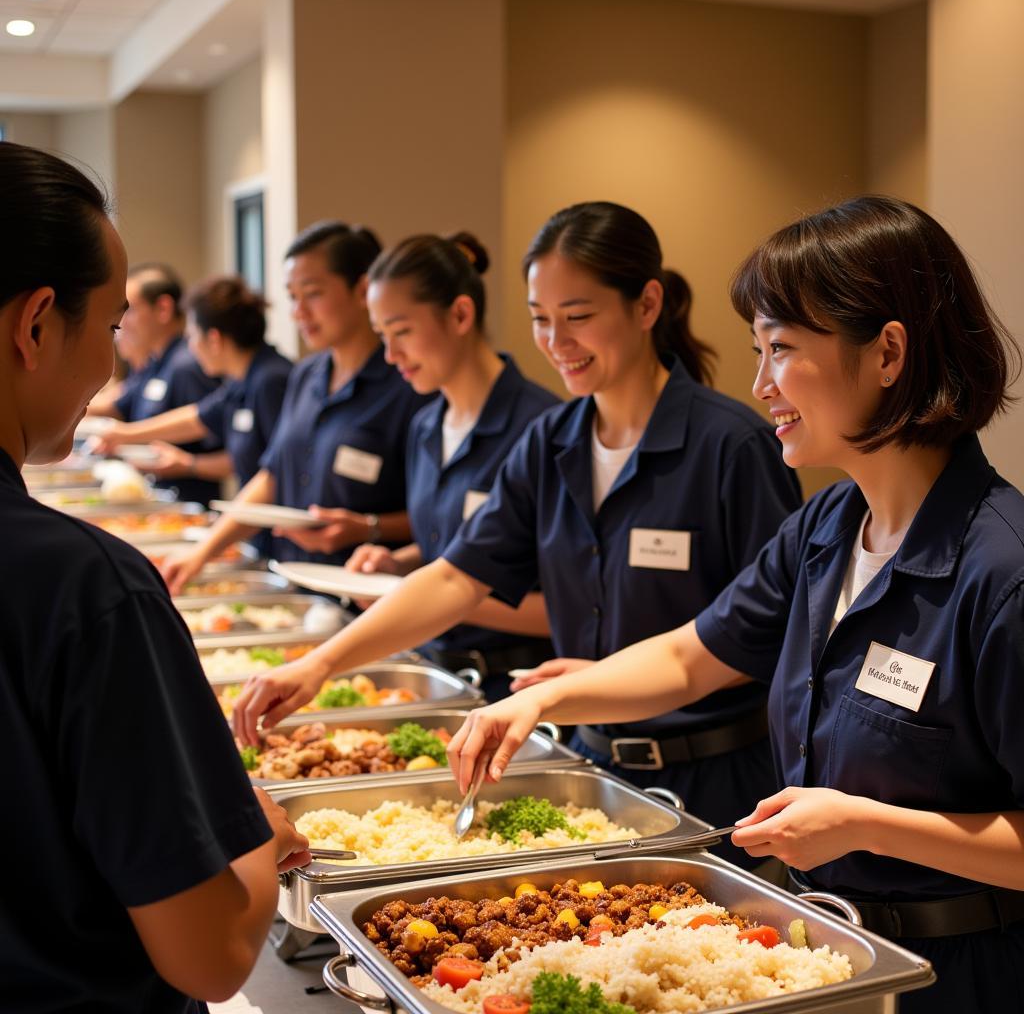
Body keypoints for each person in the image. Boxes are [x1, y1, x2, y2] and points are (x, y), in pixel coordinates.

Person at [444, 196, 1024, 1013]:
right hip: (832, 958)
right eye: (757, 351)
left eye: (781, 350)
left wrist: (868, 823)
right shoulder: (828, 526)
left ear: (888, 352)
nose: (760, 385)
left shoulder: (1002, 571)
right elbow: (690, 654)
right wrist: (543, 698)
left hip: (963, 978)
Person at [232, 203, 802, 867]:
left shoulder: (730, 446)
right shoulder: (551, 442)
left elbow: (777, 635)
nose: (556, 340)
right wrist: (320, 663)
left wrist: (601, 677)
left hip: (715, 777)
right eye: (539, 318)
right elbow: (455, 576)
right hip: (591, 764)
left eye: (578, 316)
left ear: (647, 305)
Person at [0, 141, 309, 1011]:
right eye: (105, 330)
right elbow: (206, 956)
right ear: (33, 326)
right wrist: (262, 838)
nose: (110, 363)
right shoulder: (87, 590)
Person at [347, 231, 559, 700]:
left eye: (401, 332)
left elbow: (563, 607)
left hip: (517, 688)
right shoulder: (425, 426)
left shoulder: (542, 428)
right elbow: (450, 546)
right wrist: (396, 564)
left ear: (461, 314)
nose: (390, 355)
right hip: (434, 675)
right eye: (382, 336)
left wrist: (432, 600)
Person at [161, 221, 426, 594]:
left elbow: (434, 518)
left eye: (312, 294)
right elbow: (272, 477)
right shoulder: (306, 376)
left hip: (367, 596)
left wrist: (369, 527)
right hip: (293, 582)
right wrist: (203, 551)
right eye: (291, 296)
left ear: (363, 289)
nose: (298, 312)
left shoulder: (408, 384)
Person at [92, 276, 292, 552]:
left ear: (214, 339)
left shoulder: (271, 380)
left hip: (280, 536)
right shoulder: (242, 379)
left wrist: (188, 464)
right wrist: (124, 435)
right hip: (255, 530)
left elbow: (275, 470)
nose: (191, 346)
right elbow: (196, 417)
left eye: (193, 336)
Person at [89, 262, 223, 505]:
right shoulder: (155, 363)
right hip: (157, 496)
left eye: (129, 311)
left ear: (163, 309)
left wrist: (126, 435)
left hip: (187, 504)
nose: (122, 323)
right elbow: (117, 404)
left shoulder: (187, 366)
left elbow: (206, 424)